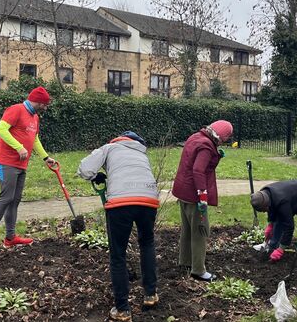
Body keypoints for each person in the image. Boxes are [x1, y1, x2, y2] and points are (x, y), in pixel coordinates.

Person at [77, 131, 159, 322]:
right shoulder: (142, 153)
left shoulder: (109, 148)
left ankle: (122, 309)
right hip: (148, 201)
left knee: (118, 254)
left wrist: (97, 175)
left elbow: (84, 169)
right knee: (147, 243)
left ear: (119, 139)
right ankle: (151, 295)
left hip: (120, 204)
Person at [0, 86, 55, 251]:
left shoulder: (34, 117)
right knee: (6, 198)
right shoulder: (16, 110)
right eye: (44, 104)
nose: (45, 107)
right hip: (5, 162)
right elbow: (1, 129)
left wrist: (45, 157)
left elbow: (34, 139)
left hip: (21, 165)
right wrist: (18, 147)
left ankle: (10, 238)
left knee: (15, 200)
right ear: (38, 101)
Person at [172, 120, 233, 282]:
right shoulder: (206, 146)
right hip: (194, 195)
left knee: (187, 229)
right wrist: (203, 196)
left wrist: (216, 156)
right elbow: (198, 170)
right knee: (200, 231)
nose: (225, 141)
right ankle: (198, 270)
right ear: (222, 136)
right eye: (226, 138)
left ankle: (185, 262)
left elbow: (194, 162)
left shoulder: (195, 137)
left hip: (182, 192)